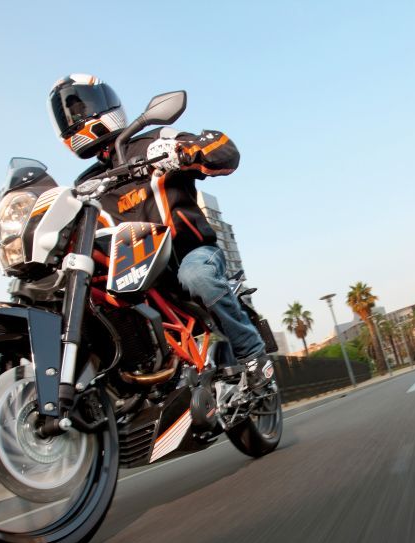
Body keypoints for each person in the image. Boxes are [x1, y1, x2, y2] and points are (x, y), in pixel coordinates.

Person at [47, 74, 273, 387]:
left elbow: (224, 150)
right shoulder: (85, 184)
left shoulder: (154, 141)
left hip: (188, 253)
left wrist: (184, 151)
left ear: (105, 104)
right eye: (67, 114)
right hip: (134, 273)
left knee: (197, 276)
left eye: (80, 106)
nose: (75, 118)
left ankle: (253, 355)